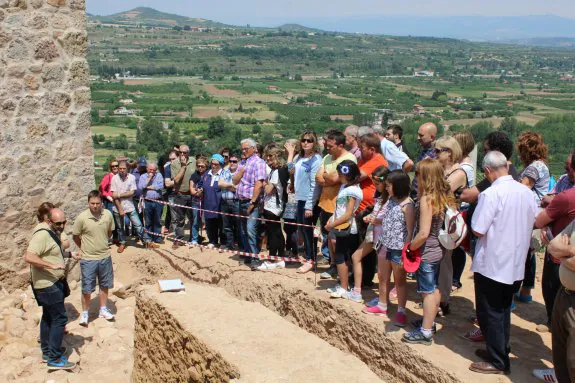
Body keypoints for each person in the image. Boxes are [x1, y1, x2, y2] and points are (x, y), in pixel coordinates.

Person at [468, 151, 537, 375]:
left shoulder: (491, 194)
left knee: (490, 312)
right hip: (515, 261)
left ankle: (498, 361)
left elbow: (478, 229)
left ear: (487, 170)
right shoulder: (526, 192)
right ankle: (500, 349)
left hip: (493, 262)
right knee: (503, 310)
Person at [402, 159, 455, 346]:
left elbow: (423, 233)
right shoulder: (443, 196)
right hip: (438, 249)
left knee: (426, 292)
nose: (415, 178)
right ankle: (429, 321)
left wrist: (410, 248)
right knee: (435, 289)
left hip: (426, 251)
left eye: (418, 174)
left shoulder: (426, 199)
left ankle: (425, 332)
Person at [24, 208, 76, 370]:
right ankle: (54, 358)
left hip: (51, 282)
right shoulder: (42, 235)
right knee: (60, 319)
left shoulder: (51, 232)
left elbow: (52, 252)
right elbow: (29, 257)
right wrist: (51, 265)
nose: (62, 226)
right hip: (47, 285)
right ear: (49, 221)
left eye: (64, 222)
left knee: (48, 316)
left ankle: (47, 351)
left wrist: (69, 255)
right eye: (58, 223)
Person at [534, 154, 575, 332]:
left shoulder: (568, 196)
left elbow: (552, 203)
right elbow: (547, 199)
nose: (567, 172)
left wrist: (555, 202)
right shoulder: (565, 181)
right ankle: (552, 320)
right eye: (566, 167)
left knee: (557, 284)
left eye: (570, 168)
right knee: (550, 284)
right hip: (555, 236)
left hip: (564, 244)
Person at [369, 170, 414, 327]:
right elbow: (386, 220)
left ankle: (401, 310)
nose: (386, 188)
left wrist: (405, 252)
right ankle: (382, 304)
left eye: (388, 186)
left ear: (398, 186)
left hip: (398, 249)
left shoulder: (408, 205)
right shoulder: (391, 201)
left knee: (399, 280)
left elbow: (409, 231)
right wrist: (375, 220)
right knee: (382, 276)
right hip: (385, 245)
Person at [316, 129, 358, 276]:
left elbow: (336, 179)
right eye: (327, 145)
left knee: (338, 240)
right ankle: (332, 265)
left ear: (340, 145)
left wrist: (327, 178)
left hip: (340, 205)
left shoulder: (349, 158)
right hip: (325, 202)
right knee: (328, 237)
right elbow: (318, 178)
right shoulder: (327, 157)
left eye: (331, 146)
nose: (327, 148)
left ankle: (344, 268)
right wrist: (328, 179)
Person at [72, 191, 116, 327]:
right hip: (88, 258)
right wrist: (83, 248)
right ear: (88, 203)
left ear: (102, 203)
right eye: (92, 203)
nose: (95, 206)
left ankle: (103, 309)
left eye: (98, 203)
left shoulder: (108, 214)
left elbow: (110, 231)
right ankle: (85, 313)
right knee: (87, 288)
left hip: (104, 256)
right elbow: (76, 236)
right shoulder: (82, 218)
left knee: (104, 284)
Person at [434, 135, 467, 315]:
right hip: (439, 220)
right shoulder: (442, 171)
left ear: (450, 152)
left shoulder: (458, 173)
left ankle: (443, 300)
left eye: (438, 151)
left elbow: (440, 192)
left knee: (445, 261)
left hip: (448, 224)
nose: (435, 154)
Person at [516, 131, 550, 303]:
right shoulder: (541, 165)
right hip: (537, 214)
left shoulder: (533, 168)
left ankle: (514, 293)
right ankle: (526, 291)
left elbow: (523, 189)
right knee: (529, 254)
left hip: (529, 215)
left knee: (522, 254)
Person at [325, 160, 363, 298]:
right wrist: (332, 219)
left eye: (340, 173)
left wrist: (332, 225)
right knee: (341, 256)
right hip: (339, 226)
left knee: (341, 257)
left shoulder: (353, 191)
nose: (338, 176)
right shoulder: (345, 187)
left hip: (347, 228)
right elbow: (339, 209)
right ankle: (344, 283)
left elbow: (348, 213)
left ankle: (344, 287)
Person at [286, 132, 322, 272]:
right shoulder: (299, 157)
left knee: (308, 230)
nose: (306, 143)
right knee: (303, 228)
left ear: (314, 143)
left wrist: (309, 205)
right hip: (300, 198)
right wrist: (290, 154)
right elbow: (291, 170)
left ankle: (310, 259)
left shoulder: (316, 159)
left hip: (309, 199)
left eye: (309, 140)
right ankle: (308, 257)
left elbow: (315, 184)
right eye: (303, 140)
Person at [546, 222, 575, 383]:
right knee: (561, 359)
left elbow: (557, 251)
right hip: (564, 296)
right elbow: (552, 246)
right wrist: (570, 251)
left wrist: (562, 254)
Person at [233, 138, 267, 268]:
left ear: (253, 149)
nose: (243, 151)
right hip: (240, 200)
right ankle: (248, 255)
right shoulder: (242, 163)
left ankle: (255, 257)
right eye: (242, 149)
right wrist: (241, 172)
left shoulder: (258, 163)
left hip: (252, 202)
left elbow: (259, 184)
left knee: (251, 230)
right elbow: (235, 180)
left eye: (246, 149)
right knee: (242, 231)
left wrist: (253, 202)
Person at [110, 161, 158, 252]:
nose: (122, 170)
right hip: (117, 207)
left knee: (138, 225)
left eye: (124, 168)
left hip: (129, 206)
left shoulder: (131, 177)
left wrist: (119, 195)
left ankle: (147, 242)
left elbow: (132, 193)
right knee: (120, 228)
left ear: (127, 169)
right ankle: (122, 243)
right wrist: (120, 209)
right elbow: (113, 196)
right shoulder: (114, 178)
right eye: (120, 168)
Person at [451, 131, 476, 291]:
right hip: (461, 207)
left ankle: (454, 280)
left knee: (457, 246)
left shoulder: (464, 167)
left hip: (461, 208)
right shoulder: (465, 163)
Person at [258, 147, 289, 270]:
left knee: (273, 234)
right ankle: (280, 258)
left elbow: (268, 190)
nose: (267, 158)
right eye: (267, 156)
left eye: (270, 156)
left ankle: (272, 259)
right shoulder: (281, 170)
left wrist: (264, 181)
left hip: (272, 206)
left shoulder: (276, 172)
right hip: (276, 206)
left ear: (277, 157)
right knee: (277, 232)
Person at [170, 144, 197, 249]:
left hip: (192, 195)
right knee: (179, 219)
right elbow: (176, 180)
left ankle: (193, 238)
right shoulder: (174, 163)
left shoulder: (194, 161)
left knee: (193, 218)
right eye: (180, 152)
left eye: (184, 153)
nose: (182, 155)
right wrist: (183, 166)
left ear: (188, 153)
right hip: (180, 194)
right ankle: (179, 239)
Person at [357, 133, 388, 212]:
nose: (359, 150)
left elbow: (356, 177)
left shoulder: (377, 160)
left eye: (362, 148)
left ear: (372, 150)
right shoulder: (363, 160)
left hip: (369, 208)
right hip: (360, 207)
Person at [218, 153, 240, 252]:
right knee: (227, 226)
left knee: (239, 226)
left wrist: (226, 185)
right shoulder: (224, 171)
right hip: (225, 202)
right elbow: (219, 183)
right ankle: (229, 245)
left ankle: (241, 246)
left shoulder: (241, 172)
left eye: (234, 161)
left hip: (237, 202)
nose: (232, 163)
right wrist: (231, 185)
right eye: (230, 161)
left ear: (238, 162)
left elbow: (239, 189)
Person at [410, 122, 438, 198]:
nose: (418, 138)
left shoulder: (436, 156)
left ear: (432, 137)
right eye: (418, 134)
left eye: (421, 135)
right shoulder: (424, 151)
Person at [202, 154, 224, 249]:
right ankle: (212, 240)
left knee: (222, 223)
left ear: (221, 164)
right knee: (210, 222)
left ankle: (223, 242)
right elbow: (201, 184)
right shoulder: (207, 174)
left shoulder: (224, 174)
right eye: (212, 163)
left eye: (216, 164)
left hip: (220, 203)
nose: (214, 166)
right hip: (208, 202)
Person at [138, 162, 165, 244]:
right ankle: (148, 237)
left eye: (154, 170)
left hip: (158, 201)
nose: (152, 171)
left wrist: (150, 187)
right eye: (150, 169)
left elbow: (161, 186)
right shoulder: (143, 176)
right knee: (148, 220)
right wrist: (149, 179)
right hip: (147, 201)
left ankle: (157, 237)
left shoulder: (159, 175)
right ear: (147, 169)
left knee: (157, 220)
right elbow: (141, 187)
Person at [98, 160, 120, 244]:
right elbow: (101, 188)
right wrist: (108, 196)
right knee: (109, 220)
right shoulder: (108, 177)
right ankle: (106, 238)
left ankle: (116, 238)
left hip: (118, 200)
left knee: (117, 220)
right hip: (110, 202)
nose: (115, 167)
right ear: (110, 168)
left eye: (116, 165)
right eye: (113, 166)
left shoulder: (119, 176)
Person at [189, 157, 208, 246]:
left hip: (207, 201)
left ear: (206, 166)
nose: (200, 168)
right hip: (196, 201)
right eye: (198, 166)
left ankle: (212, 239)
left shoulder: (209, 174)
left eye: (202, 166)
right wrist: (198, 193)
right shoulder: (194, 175)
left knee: (208, 221)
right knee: (195, 220)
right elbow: (191, 189)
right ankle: (194, 239)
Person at [162, 150, 179, 234]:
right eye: (170, 159)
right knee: (174, 217)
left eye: (174, 159)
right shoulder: (168, 168)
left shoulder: (184, 167)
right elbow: (167, 183)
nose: (172, 161)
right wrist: (180, 181)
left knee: (188, 217)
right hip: (172, 194)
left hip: (184, 194)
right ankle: (177, 236)